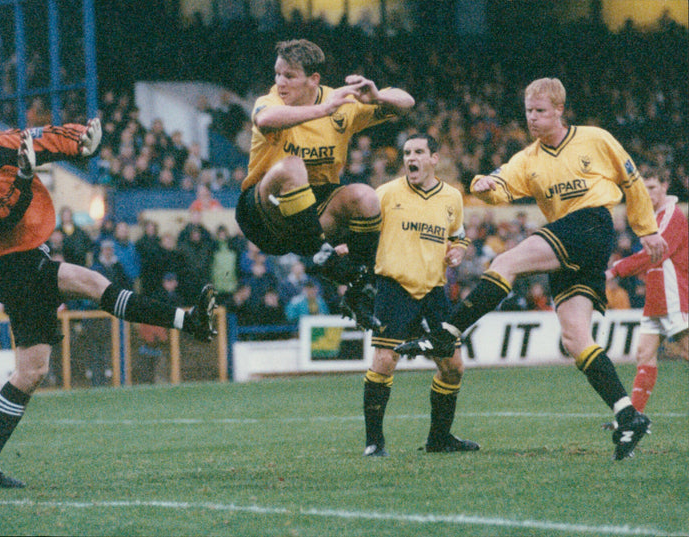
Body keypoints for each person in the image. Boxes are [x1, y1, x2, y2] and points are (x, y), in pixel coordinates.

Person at [0, 104, 217, 488]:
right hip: (4, 268)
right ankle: (190, 322)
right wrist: (24, 174)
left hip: (23, 259)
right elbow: (1, 215)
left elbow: (39, 139)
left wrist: (80, 140)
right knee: (90, 283)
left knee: (31, 372)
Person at [395, 78, 668, 461]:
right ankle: (628, 414)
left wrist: (647, 231)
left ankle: (448, 332)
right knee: (576, 339)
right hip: (572, 241)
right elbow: (501, 186)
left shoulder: (596, 139)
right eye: (528, 112)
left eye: (540, 111)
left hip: (591, 223)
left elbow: (632, 182)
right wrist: (483, 183)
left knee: (505, 262)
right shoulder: (528, 159)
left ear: (559, 110)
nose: (533, 119)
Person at [235, 38, 414, 331]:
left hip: (313, 214)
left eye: (289, 76)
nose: (280, 82)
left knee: (366, 196)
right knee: (293, 165)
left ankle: (359, 287)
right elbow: (265, 119)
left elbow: (407, 104)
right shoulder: (271, 102)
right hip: (263, 212)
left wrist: (377, 96)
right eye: (277, 74)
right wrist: (323, 110)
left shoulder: (341, 104)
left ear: (313, 79)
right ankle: (324, 255)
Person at [363, 134, 478, 457]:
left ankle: (439, 439)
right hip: (394, 287)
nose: (410, 158)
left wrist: (457, 251)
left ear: (433, 159)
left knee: (453, 366)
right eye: (406, 153)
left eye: (418, 152)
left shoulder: (452, 197)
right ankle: (374, 442)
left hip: (433, 290)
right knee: (385, 360)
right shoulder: (385, 194)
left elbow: (459, 236)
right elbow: (362, 231)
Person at [606, 169, 688, 413]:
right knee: (644, 355)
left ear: (665, 185)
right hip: (656, 297)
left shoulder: (672, 214)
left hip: (673, 295)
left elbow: (656, 253)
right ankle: (635, 420)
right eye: (643, 188)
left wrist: (615, 270)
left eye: (652, 187)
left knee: (686, 351)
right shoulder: (653, 217)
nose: (647, 193)